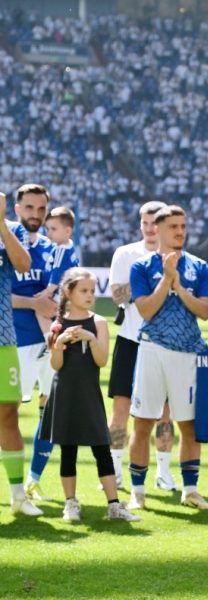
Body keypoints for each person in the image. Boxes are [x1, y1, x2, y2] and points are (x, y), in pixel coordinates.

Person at [127, 205, 208, 511]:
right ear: (158, 230)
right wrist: (167, 280)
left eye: (183, 226)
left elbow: (205, 311)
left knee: (188, 426)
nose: (180, 231)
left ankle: (190, 489)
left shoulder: (200, 267)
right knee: (142, 424)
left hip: (187, 353)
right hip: (152, 349)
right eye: (173, 226)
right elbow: (146, 311)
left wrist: (179, 285)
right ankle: (137, 492)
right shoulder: (141, 267)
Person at [40, 268, 140, 522]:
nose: (89, 296)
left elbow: (102, 360)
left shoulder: (99, 323)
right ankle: (70, 504)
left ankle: (114, 506)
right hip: (64, 393)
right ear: (68, 292)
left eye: (92, 291)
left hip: (89, 393)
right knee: (68, 450)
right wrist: (60, 342)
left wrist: (91, 339)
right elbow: (56, 365)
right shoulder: (57, 323)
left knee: (101, 448)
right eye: (83, 290)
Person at [107, 201, 177, 491]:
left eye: (154, 223)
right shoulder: (125, 254)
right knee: (121, 409)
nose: (149, 229)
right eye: (145, 222)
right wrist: (146, 281)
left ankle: (163, 471)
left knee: (164, 412)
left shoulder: (176, 257)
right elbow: (115, 295)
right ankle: (114, 469)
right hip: (129, 340)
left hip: (163, 344)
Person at [10, 184, 58, 501]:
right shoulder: (6, 245)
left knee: (52, 413)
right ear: (17, 209)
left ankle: (33, 480)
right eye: (29, 208)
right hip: (16, 342)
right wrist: (33, 304)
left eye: (41, 209)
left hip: (51, 344)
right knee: (6, 414)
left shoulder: (54, 249)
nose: (36, 215)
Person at [0, 191, 42, 516]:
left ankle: (17, 495)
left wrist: (0, 222)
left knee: (8, 414)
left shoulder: (11, 230)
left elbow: (23, 263)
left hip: (4, 338)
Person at [35, 206, 80, 338]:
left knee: (39, 309)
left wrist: (47, 292)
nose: (49, 233)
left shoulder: (61, 249)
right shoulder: (68, 246)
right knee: (62, 321)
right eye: (47, 229)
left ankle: (49, 341)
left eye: (53, 229)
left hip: (59, 294)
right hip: (67, 294)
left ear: (67, 231)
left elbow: (57, 272)